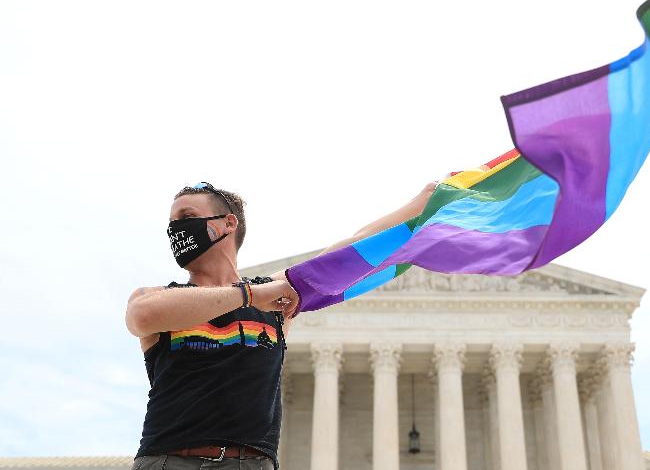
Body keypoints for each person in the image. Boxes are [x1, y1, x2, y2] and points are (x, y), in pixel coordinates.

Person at [125, 180, 436, 470]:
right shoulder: (157, 298)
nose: (175, 228)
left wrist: (420, 204)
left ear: (227, 223)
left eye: (186, 216)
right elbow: (141, 316)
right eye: (172, 222)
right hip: (171, 460)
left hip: (250, 463)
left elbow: (351, 250)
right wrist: (252, 294)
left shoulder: (277, 301)